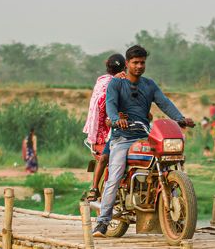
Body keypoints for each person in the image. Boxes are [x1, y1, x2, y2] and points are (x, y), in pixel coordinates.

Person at [94, 45, 193, 236]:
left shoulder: (149, 85)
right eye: (135, 62)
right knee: (114, 177)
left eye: (142, 63)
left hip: (144, 135)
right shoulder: (116, 83)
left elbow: (164, 103)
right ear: (127, 63)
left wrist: (180, 118)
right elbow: (111, 105)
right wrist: (115, 119)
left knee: (164, 164)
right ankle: (102, 221)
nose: (139, 66)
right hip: (122, 137)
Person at [83, 54, 126, 200]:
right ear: (125, 68)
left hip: (119, 127)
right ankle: (95, 188)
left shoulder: (103, 81)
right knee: (106, 157)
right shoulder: (114, 83)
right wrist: (116, 118)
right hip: (109, 129)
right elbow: (109, 108)